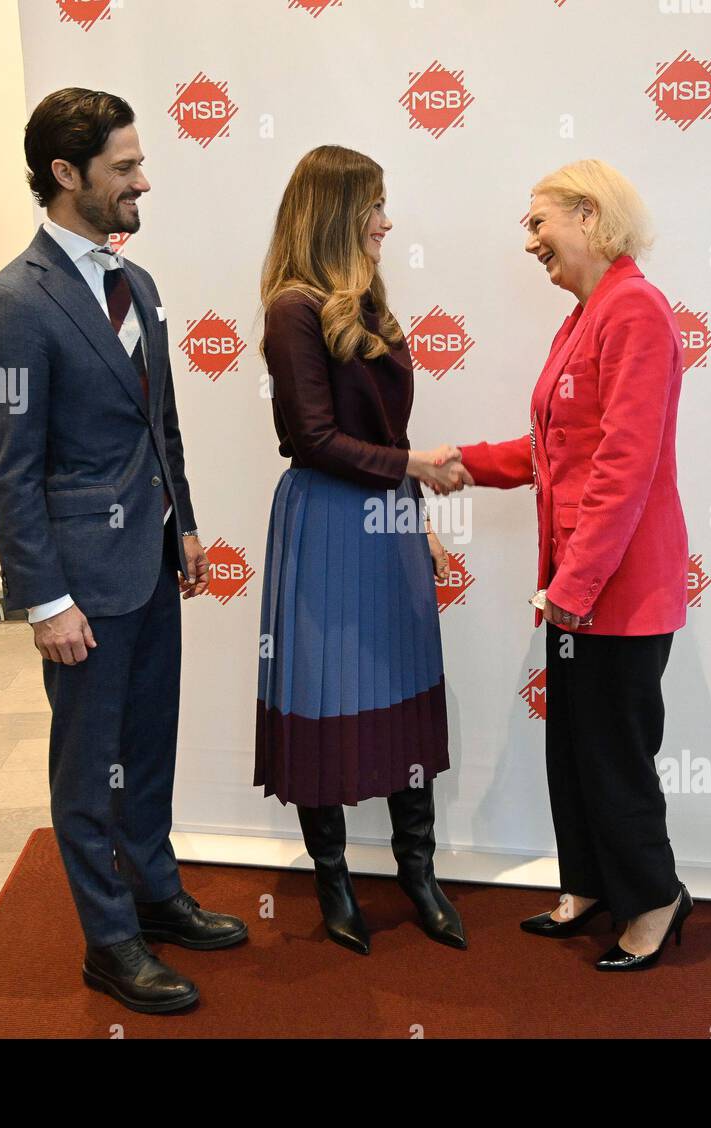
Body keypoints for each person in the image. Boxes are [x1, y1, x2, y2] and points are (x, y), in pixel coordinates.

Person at [0, 87, 246, 1014]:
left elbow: (157, 423)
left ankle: (156, 895)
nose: (142, 182)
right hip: (83, 587)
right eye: (124, 168)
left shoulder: (141, 284)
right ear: (65, 174)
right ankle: (109, 942)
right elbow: (11, 470)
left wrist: (189, 524)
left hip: (153, 562)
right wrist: (45, 603)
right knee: (89, 771)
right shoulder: (12, 303)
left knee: (148, 750)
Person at [449, 159, 692, 971]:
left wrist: (574, 588)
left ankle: (655, 899)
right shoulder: (586, 315)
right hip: (576, 590)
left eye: (538, 222)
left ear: (589, 216)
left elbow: (624, 466)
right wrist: (458, 460)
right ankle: (589, 882)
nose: (529, 241)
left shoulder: (636, 311)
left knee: (613, 753)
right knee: (574, 749)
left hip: (614, 591)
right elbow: (554, 450)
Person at [254, 144, 470, 956]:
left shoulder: (368, 305)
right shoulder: (293, 309)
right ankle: (335, 884)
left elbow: (386, 432)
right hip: (326, 523)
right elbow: (312, 438)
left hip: (386, 519)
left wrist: (415, 517)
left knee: (405, 691)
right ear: (337, 212)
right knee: (327, 694)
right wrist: (414, 470)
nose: (388, 220)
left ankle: (419, 875)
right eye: (375, 205)